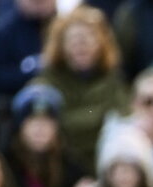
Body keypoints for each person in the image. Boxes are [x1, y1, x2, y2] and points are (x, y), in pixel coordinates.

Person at [33, 4, 130, 172]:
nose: (81, 45)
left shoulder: (113, 81)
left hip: (107, 169)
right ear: (61, 46)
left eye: (88, 38)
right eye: (74, 40)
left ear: (101, 43)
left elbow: (125, 121)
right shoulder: (45, 85)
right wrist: (98, 118)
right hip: (61, 171)